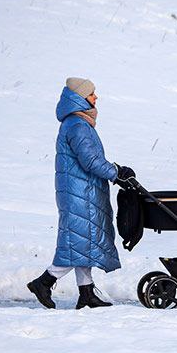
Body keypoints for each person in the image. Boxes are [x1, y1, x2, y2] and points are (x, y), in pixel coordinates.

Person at [27, 77, 135, 309]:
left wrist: (116, 172)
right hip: (81, 193)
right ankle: (44, 282)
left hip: (82, 191)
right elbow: (90, 160)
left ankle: (86, 294)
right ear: (80, 98)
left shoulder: (78, 123)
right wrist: (116, 173)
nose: (96, 98)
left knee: (83, 242)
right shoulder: (77, 125)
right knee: (77, 242)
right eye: (92, 94)